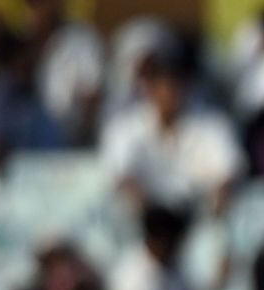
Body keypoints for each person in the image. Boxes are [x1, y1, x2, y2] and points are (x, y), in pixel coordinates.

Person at [99, 52, 244, 215]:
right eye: (164, 85)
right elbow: (122, 176)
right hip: (144, 219)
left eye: (177, 84)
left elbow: (228, 173)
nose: (171, 92)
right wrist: (149, 216)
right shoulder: (123, 128)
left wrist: (216, 208)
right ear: (149, 88)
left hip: (200, 213)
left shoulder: (215, 124)